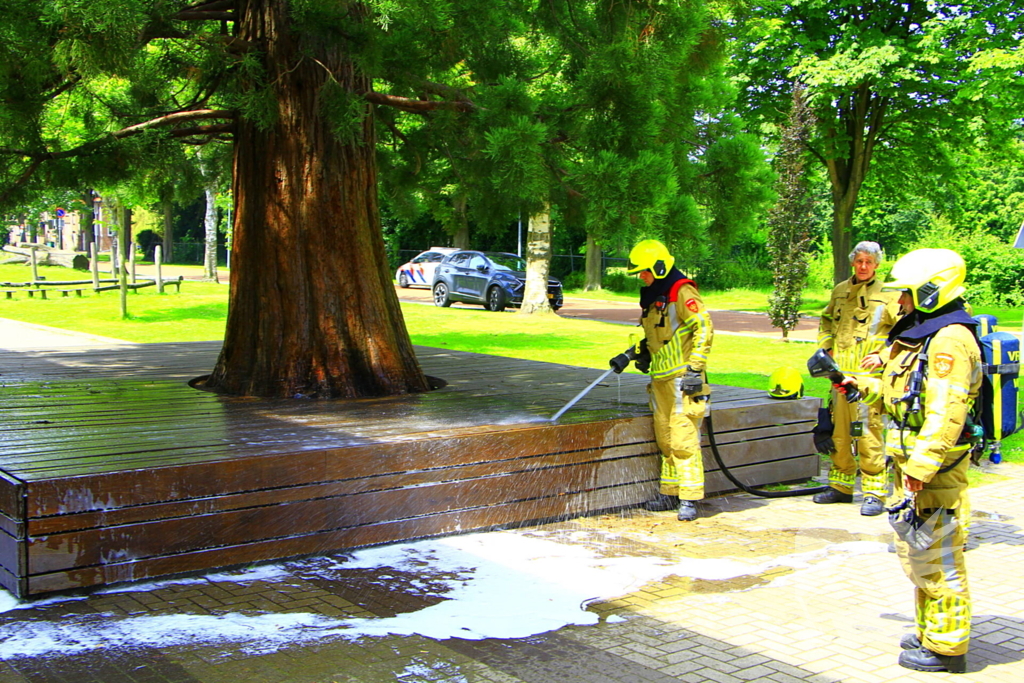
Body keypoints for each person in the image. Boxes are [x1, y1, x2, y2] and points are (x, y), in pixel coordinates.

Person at [845, 248, 979, 673]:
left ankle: (948, 649)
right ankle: (930, 631)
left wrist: (921, 469)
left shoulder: (949, 340)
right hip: (911, 465)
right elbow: (901, 391)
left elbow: (946, 414)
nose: (899, 302)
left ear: (930, 291)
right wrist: (858, 385)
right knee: (917, 552)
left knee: (938, 555)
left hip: (934, 470)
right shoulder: (923, 331)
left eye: (906, 294)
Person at [620, 239, 714, 522]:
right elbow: (658, 337)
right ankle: (670, 492)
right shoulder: (654, 296)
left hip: (683, 380)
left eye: (644, 271)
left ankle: (689, 498)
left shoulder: (681, 291)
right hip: (660, 381)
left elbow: (704, 327)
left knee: (683, 438)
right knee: (665, 438)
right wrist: (637, 354)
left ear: (659, 267)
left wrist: (695, 369)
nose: (641, 277)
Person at [814, 241, 901, 515]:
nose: (863, 266)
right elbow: (826, 320)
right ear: (853, 261)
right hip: (839, 377)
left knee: (867, 435)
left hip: (868, 380)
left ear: (877, 265)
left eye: (869, 262)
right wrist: (826, 346)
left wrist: (884, 356)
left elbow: (907, 332)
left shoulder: (889, 294)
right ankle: (840, 487)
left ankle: (875, 492)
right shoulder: (840, 290)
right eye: (859, 260)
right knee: (839, 435)